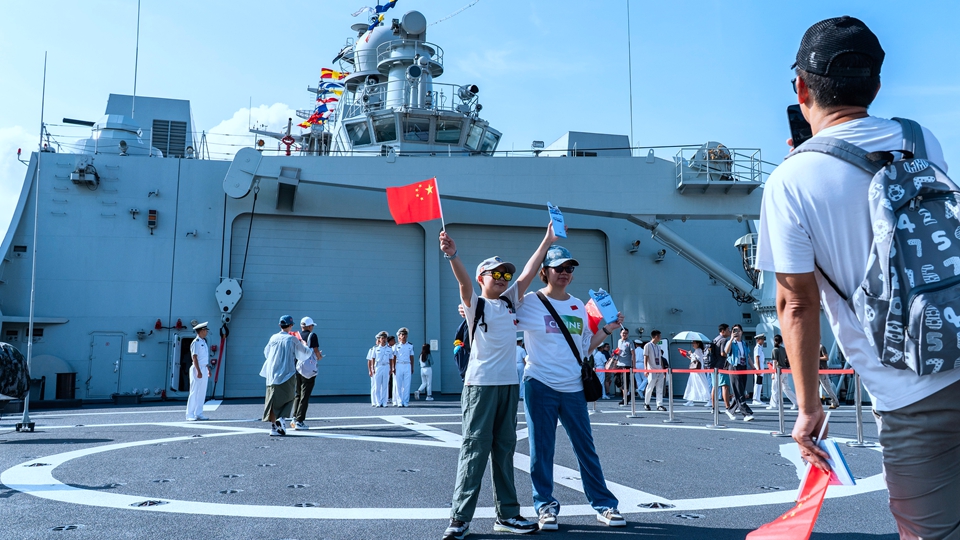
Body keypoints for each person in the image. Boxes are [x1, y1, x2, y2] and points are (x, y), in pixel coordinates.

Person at [757, 16, 960, 538]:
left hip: (911, 394)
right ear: (876, 83)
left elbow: (796, 305)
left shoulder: (789, 183)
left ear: (802, 87)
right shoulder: (921, 139)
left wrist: (808, 410)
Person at [437, 224, 556, 540]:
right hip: (480, 387)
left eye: (506, 276)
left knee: (504, 450)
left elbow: (529, 272)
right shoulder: (475, 306)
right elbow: (463, 283)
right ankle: (460, 518)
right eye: (496, 275)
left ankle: (508, 515)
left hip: (508, 386)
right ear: (482, 279)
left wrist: (547, 240)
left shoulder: (510, 302)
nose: (503, 279)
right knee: (474, 449)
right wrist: (453, 255)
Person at [518, 244, 627, 530]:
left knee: (585, 447)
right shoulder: (530, 301)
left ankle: (604, 505)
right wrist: (470, 305)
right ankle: (545, 507)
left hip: (573, 386)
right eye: (559, 268)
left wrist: (607, 330)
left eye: (569, 269)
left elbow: (584, 349)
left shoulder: (578, 305)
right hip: (539, 383)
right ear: (545, 271)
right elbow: (499, 313)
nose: (565, 273)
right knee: (541, 449)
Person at [261, 315, 313, 436]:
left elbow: (266, 353)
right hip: (287, 372)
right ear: (291, 326)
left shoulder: (273, 338)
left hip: (271, 374)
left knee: (272, 400)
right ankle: (281, 420)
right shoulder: (292, 339)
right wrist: (305, 344)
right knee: (288, 398)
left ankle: (274, 427)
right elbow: (304, 353)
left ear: (280, 325)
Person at [291, 317, 321, 430]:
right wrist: (319, 357)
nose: (312, 327)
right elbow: (316, 351)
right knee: (305, 395)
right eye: (312, 325)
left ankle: (294, 418)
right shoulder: (312, 336)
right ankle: (300, 420)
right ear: (309, 326)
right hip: (307, 368)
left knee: (297, 394)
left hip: (297, 366)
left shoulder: (296, 335)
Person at [723, 324, 755, 422]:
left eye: (738, 330)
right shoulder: (731, 343)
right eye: (734, 330)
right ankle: (746, 413)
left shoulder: (744, 343)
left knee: (740, 389)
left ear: (742, 332)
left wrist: (753, 367)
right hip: (734, 367)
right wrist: (731, 338)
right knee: (739, 390)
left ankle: (730, 410)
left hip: (743, 366)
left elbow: (747, 356)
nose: (736, 332)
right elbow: (726, 351)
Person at [185, 322, 211, 421]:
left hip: (203, 367)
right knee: (194, 391)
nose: (207, 332)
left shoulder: (203, 342)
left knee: (202, 392)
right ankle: (190, 414)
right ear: (201, 331)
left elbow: (204, 358)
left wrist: (207, 369)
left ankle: (198, 413)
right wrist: (199, 371)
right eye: (205, 330)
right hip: (197, 368)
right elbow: (194, 358)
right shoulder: (195, 342)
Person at [767, 334, 797, 410]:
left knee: (774, 388)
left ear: (774, 340)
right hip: (785, 370)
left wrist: (773, 373)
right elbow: (787, 360)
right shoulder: (783, 349)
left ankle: (774, 405)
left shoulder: (774, 350)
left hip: (778, 370)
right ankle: (796, 402)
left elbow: (774, 362)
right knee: (786, 388)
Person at [367, 332, 394, 408]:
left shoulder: (389, 349)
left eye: (385, 338)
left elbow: (391, 359)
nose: (384, 340)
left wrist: (391, 368)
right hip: (378, 366)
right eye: (382, 338)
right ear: (379, 339)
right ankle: (378, 402)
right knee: (377, 385)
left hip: (386, 366)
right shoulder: (375, 348)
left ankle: (384, 402)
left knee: (385, 385)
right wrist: (372, 368)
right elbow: (372, 359)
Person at [711, 324, 734, 412]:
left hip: (713, 366)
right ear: (723, 331)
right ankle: (727, 407)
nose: (730, 331)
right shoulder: (724, 340)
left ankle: (714, 407)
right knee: (725, 386)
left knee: (714, 386)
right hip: (722, 366)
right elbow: (723, 353)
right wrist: (729, 354)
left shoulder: (715, 339)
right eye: (728, 330)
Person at [643, 330, 666, 412]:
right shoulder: (647, 345)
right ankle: (646, 403)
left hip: (659, 369)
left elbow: (660, 359)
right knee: (650, 387)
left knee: (660, 388)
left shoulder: (658, 347)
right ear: (656, 336)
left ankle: (659, 404)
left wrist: (663, 370)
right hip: (651, 369)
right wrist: (645, 369)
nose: (660, 338)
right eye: (659, 336)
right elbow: (645, 357)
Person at [682, 340, 710, 406]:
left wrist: (691, 354)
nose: (693, 344)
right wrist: (689, 355)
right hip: (695, 371)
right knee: (692, 385)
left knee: (702, 384)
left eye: (694, 343)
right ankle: (690, 400)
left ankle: (709, 399)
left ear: (698, 344)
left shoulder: (698, 350)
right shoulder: (697, 350)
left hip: (698, 371)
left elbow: (697, 359)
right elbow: (694, 359)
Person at [392, 328, 415, 407]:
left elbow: (411, 357)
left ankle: (405, 401)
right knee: (398, 384)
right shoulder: (396, 346)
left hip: (407, 365)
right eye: (402, 335)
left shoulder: (410, 345)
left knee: (407, 384)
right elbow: (394, 357)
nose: (403, 336)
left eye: (405, 335)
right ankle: (399, 401)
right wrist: (393, 367)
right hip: (399, 365)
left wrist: (412, 367)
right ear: (399, 336)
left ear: (407, 336)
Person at [613, 329, 635, 405]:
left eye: (626, 333)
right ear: (620, 333)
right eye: (623, 333)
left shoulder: (630, 342)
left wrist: (634, 365)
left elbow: (633, 354)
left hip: (626, 365)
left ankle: (624, 398)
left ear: (628, 334)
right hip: (619, 364)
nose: (624, 334)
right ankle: (628, 394)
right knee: (616, 381)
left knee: (624, 382)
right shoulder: (619, 341)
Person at [818, 344, 840, 409]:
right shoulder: (813, 348)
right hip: (816, 370)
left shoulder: (821, 347)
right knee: (815, 389)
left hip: (822, 370)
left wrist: (817, 357)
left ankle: (835, 402)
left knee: (827, 387)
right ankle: (816, 404)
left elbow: (826, 358)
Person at [751, 334, 767, 407]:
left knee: (759, 383)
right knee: (757, 383)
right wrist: (759, 368)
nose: (763, 340)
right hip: (759, 367)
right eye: (762, 339)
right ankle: (755, 399)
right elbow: (757, 358)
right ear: (758, 340)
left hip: (761, 366)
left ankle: (758, 398)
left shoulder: (760, 347)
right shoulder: (757, 347)